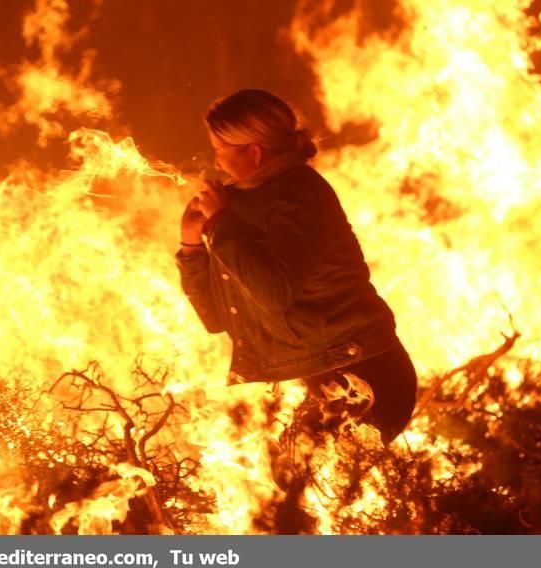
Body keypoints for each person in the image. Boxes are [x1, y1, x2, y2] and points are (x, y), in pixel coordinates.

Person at [175, 89, 416, 445]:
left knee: (322, 497)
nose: (217, 163)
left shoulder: (301, 196)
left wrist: (223, 223)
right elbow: (218, 320)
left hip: (355, 378)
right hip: (291, 385)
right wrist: (191, 245)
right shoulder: (238, 207)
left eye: (221, 151)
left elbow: (273, 292)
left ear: (253, 152)